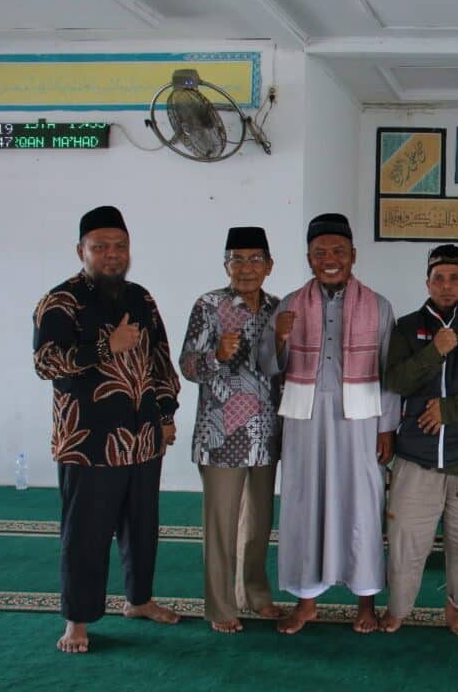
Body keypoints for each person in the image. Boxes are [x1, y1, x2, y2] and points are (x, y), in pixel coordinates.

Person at [33, 205, 182, 653]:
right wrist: (106, 346)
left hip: (143, 438)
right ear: (81, 251)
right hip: (89, 442)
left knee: (142, 526)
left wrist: (166, 414)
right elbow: (46, 363)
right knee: (86, 534)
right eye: (101, 247)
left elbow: (160, 360)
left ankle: (139, 600)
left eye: (120, 246)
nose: (112, 254)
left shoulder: (140, 298)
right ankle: (77, 620)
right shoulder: (61, 301)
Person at [258, 213, 399, 635]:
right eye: (320, 253)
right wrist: (278, 338)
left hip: (361, 420)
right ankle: (306, 602)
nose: (330, 259)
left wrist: (387, 427)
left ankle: (366, 601)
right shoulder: (289, 303)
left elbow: (390, 371)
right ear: (309, 258)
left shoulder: (378, 305)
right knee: (305, 504)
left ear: (353, 255)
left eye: (338, 251)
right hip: (305, 420)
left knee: (362, 506)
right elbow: (267, 367)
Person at [380, 244, 458, 636]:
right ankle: (398, 608)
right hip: (417, 455)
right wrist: (433, 352)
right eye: (439, 278)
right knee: (405, 539)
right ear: (428, 283)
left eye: (455, 278)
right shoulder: (407, 327)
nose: (447, 285)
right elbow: (395, 381)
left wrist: (449, 410)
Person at [179, 226, 283, 633]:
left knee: (259, 524)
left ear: (269, 265)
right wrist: (216, 356)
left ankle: (255, 594)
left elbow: (285, 368)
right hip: (221, 437)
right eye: (236, 260)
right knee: (221, 526)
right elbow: (187, 365)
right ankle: (221, 607)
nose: (246, 268)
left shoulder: (278, 308)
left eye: (255, 259)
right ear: (225, 265)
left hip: (266, 435)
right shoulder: (208, 305)